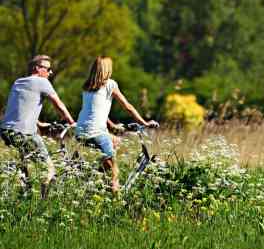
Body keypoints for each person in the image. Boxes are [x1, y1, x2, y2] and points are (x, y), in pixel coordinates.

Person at [76, 56, 158, 193]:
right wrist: (145, 123)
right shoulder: (110, 84)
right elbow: (127, 107)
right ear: (107, 70)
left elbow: (94, 110)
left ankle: (96, 177)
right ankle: (116, 198)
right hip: (96, 132)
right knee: (115, 170)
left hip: (80, 131)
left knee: (115, 141)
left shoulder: (87, 86)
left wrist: (112, 125)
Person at [0, 55, 76, 197]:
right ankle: (43, 203)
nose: (50, 72)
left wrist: (40, 123)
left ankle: (24, 193)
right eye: (48, 69)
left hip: (6, 131)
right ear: (37, 69)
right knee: (48, 169)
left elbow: (21, 107)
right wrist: (72, 123)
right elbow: (58, 104)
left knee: (24, 163)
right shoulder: (42, 82)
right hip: (24, 133)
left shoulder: (18, 82)